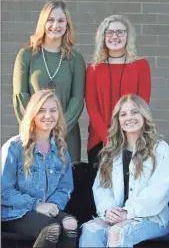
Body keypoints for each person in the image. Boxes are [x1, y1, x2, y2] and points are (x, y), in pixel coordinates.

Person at [79, 94, 169, 247]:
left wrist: (128, 212)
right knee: (90, 230)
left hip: (151, 218)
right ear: (118, 120)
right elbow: (101, 188)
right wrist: (108, 211)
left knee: (118, 232)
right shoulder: (110, 151)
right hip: (116, 217)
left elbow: (158, 191)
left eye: (135, 112)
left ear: (144, 115)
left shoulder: (160, 149)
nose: (129, 117)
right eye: (123, 114)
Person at [1, 89, 78, 248]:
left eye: (53, 110)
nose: (48, 115)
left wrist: (53, 205)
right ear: (32, 114)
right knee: (52, 228)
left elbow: (65, 187)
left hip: (47, 210)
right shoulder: (15, 147)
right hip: (16, 213)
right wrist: (36, 205)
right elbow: (4, 191)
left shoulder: (61, 148)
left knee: (71, 224)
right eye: (41, 111)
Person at [13, 1, 86, 164]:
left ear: (67, 25)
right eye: (50, 19)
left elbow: (77, 100)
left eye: (61, 20)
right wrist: (37, 129)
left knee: (64, 186)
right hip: (34, 136)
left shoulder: (76, 59)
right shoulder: (26, 55)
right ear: (43, 22)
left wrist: (59, 128)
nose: (55, 25)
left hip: (67, 136)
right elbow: (20, 96)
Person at [85, 14, 151, 172]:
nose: (115, 36)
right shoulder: (94, 68)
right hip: (100, 140)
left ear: (128, 35)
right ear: (103, 36)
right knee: (102, 190)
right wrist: (109, 139)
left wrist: (126, 137)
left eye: (120, 32)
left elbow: (142, 104)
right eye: (109, 32)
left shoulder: (141, 65)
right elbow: (92, 108)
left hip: (133, 138)